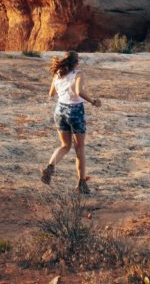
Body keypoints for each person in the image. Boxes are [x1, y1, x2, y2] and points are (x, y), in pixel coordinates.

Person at [40, 51, 101, 194]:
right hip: (75, 112)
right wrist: (93, 101)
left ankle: (50, 167)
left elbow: (51, 94)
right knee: (79, 150)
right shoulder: (79, 74)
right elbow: (79, 92)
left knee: (65, 145)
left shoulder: (58, 74)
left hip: (60, 111)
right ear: (76, 62)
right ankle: (81, 184)